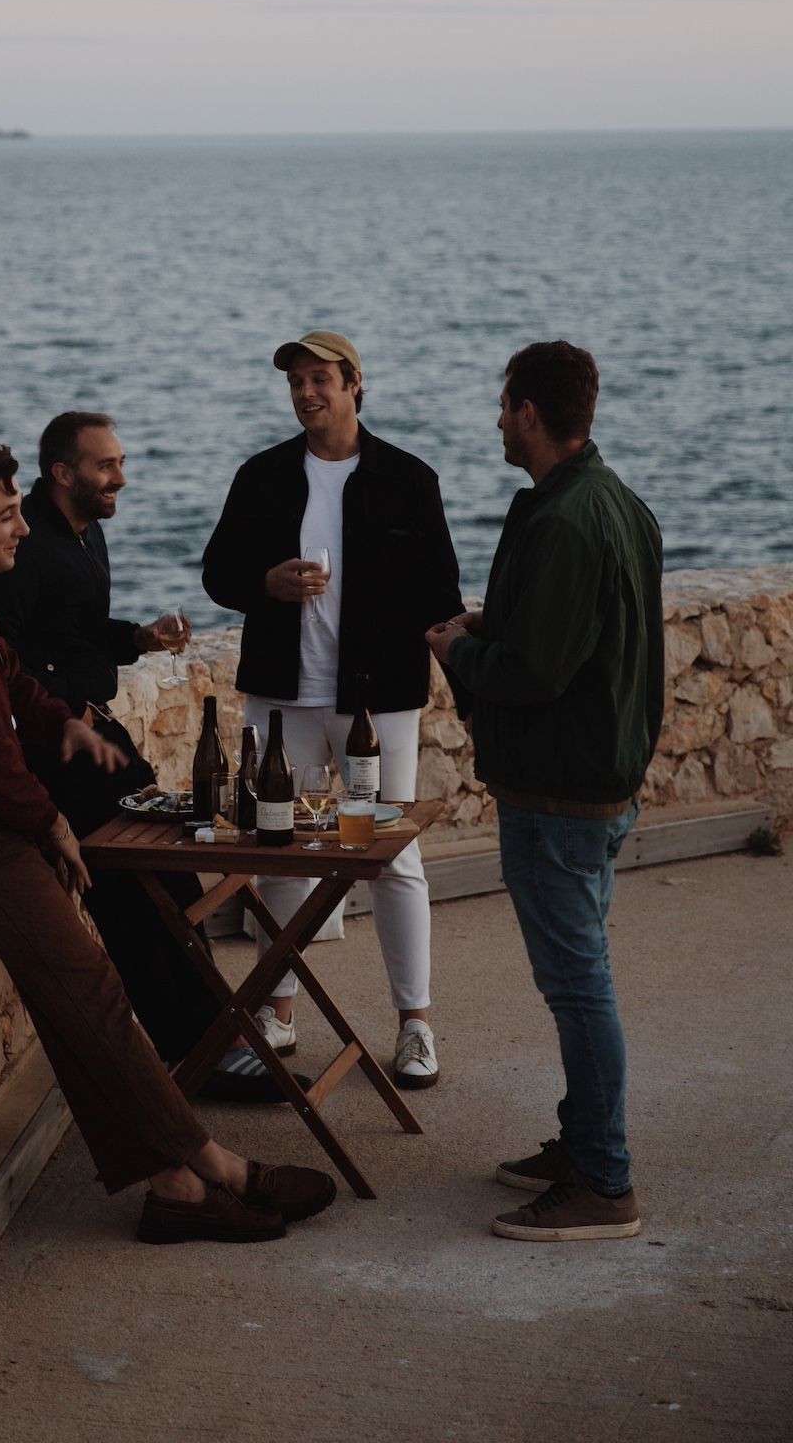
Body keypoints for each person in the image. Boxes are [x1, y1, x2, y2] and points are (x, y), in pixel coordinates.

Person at [0, 436, 336, 1244]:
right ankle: (211, 1171)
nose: (21, 529)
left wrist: (67, 727)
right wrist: (51, 824)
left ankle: (177, 1185)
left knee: (79, 998)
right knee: (90, 990)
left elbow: (14, 684)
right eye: (6, 516)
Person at [0, 411, 293, 1101]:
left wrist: (140, 638)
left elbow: (82, 632)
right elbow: (11, 661)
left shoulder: (87, 534)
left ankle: (216, 1032)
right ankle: (193, 1055)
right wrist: (67, 714)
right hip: (59, 745)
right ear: (62, 474)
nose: (120, 477)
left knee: (173, 872)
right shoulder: (24, 547)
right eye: (105, 466)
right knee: (132, 893)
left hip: (99, 732)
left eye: (120, 462)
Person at [426, 341, 662, 1242]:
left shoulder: (566, 520)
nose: (495, 419)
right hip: (594, 782)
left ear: (530, 412)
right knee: (580, 978)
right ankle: (583, 1142)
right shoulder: (614, 506)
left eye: (503, 405)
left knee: (577, 987)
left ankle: (604, 1183)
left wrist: (459, 651)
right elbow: (583, 635)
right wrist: (501, 625)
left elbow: (535, 673)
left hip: (560, 793)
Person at [202, 330, 464, 1089]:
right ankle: (278, 1011)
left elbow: (440, 596)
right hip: (282, 698)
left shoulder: (410, 480)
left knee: (393, 859)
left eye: (320, 379)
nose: (306, 393)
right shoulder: (261, 477)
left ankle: (415, 1026)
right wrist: (267, 584)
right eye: (296, 382)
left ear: (355, 384)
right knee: (277, 854)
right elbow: (219, 572)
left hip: (379, 706)